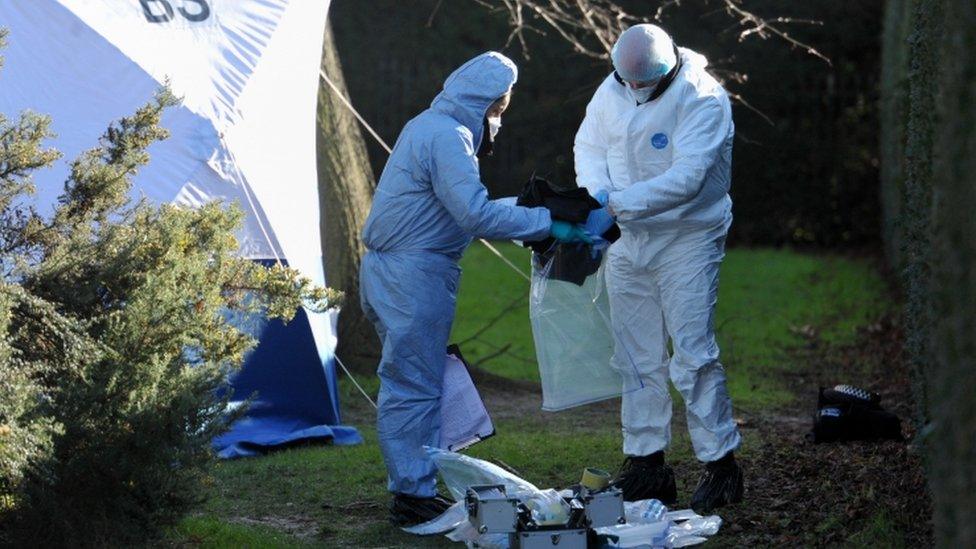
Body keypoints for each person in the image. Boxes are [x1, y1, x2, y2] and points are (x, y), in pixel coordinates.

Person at [360, 51, 589, 526]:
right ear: (483, 100)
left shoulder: (429, 125)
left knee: (412, 381)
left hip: (396, 271)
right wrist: (547, 220)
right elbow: (475, 214)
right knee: (414, 387)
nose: (499, 118)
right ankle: (412, 495)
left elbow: (454, 207)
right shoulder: (448, 136)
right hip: (413, 277)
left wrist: (529, 212)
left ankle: (415, 483)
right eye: (499, 108)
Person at [574, 24, 744, 513]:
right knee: (634, 355)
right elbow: (589, 145)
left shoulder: (702, 98)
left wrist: (617, 205)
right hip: (628, 239)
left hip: (687, 236)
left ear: (665, 71)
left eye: (641, 85)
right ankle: (646, 463)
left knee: (692, 353)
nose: (632, 92)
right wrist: (598, 194)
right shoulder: (613, 88)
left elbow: (688, 179)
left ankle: (720, 465)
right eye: (625, 82)